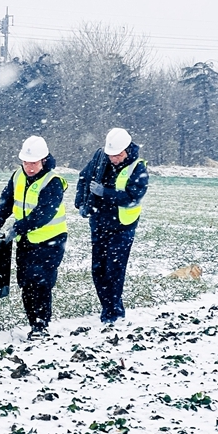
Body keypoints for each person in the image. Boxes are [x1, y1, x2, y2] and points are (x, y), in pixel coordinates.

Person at [0, 136, 68, 340]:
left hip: (51, 240)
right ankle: (34, 322)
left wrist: (18, 227)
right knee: (26, 282)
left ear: (44, 160)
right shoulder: (17, 177)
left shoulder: (53, 182)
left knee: (39, 281)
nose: (29, 167)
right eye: (26, 162)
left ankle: (41, 324)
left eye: (34, 163)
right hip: (26, 241)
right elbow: (5, 202)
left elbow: (44, 213)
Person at [74, 128, 148, 324]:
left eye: (117, 155)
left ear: (126, 151)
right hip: (98, 223)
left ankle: (113, 312)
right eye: (111, 155)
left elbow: (132, 198)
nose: (113, 159)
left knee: (114, 269)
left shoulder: (138, 169)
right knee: (98, 270)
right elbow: (83, 178)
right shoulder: (100, 160)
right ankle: (108, 307)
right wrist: (81, 203)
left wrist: (104, 192)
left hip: (122, 227)